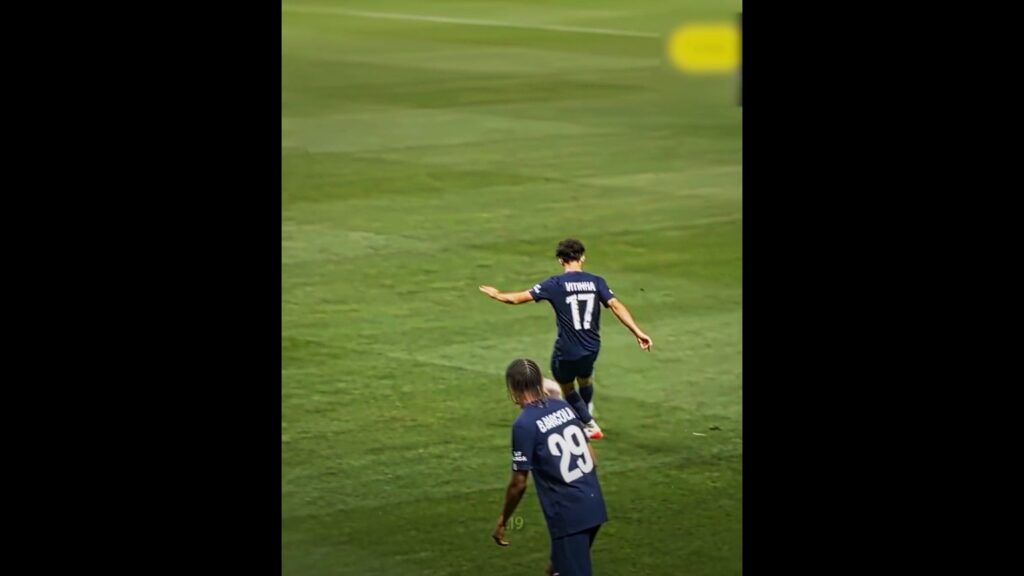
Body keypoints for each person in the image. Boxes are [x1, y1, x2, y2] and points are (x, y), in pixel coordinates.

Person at [479, 238, 653, 439]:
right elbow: (615, 305)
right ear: (583, 258)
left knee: (566, 386)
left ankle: (589, 424)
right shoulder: (597, 281)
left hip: (567, 349)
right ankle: (586, 412)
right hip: (592, 345)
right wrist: (638, 332)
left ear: (561, 261)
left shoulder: (555, 284)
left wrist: (496, 294)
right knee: (585, 378)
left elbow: (517, 299)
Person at [493, 358, 607, 576]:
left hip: (568, 515)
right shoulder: (564, 406)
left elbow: (519, 483)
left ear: (514, 387)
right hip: (593, 504)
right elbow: (592, 458)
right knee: (555, 570)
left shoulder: (524, 425)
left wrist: (503, 520)